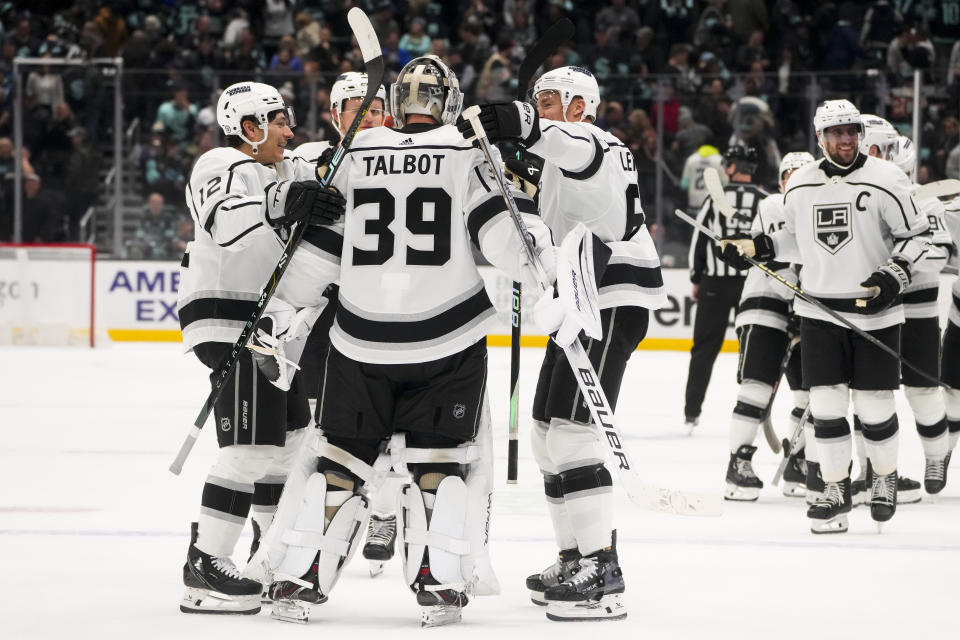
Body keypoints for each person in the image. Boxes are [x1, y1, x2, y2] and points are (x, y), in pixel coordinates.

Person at [248, 55, 557, 627]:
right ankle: (438, 583)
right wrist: (541, 249)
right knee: (440, 465)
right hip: (448, 338)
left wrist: (278, 312)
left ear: (394, 103)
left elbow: (318, 251)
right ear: (451, 102)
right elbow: (507, 239)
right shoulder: (468, 151)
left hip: (359, 337)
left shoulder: (355, 154)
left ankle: (298, 575)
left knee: (338, 463)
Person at [459, 65, 667, 622]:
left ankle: (602, 567)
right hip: (576, 301)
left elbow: (564, 145)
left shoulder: (596, 141)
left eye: (552, 100)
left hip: (609, 298)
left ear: (581, 106)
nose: (543, 107)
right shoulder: (552, 153)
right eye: (538, 99)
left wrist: (517, 120)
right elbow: (531, 198)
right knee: (548, 432)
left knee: (573, 432)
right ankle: (575, 556)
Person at [719, 99, 933, 534]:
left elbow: (917, 236)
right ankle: (834, 492)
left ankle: (884, 476)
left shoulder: (887, 179)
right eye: (836, 133)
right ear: (820, 138)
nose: (846, 139)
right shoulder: (800, 185)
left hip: (876, 313)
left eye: (851, 131)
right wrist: (756, 248)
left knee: (874, 407)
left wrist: (894, 274)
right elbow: (798, 245)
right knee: (828, 405)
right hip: (818, 311)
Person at [176, 81, 346, 614]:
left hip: (270, 324)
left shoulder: (285, 168)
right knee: (249, 450)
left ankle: (270, 557)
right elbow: (226, 224)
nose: (289, 131)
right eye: (278, 121)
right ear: (249, 127)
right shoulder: (220, 162)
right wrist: (283, 200)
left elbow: (321, 170)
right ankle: (205, 565)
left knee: (289, 442)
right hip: (231, 318)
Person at [289, 71, 401, 577]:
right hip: (324, 307)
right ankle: (325, 515)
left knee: (384, 421)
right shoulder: (310, 160)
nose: (366, 118)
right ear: (336, 116)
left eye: (373, 109)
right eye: (355, 109)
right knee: (323, 421)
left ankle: (383, 511)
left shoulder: (407, 162)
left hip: (382, 305)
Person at [855, 132, 951, 499]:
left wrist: (897, 266)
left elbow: (939, 255)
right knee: (866, 393)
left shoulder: (924, 201)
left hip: (917, 309)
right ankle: (871, 471)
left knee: (922, 391)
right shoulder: (860, 195)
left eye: (873, 148)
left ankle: (935, 458)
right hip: (875, 312)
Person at [721, 151, 814, 501]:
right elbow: (777, 263)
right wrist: (795, 301)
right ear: (780, 180)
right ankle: (738, 466)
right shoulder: (774, 205)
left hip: (806, 312)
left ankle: (798, 463)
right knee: (756, 389)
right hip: (764, 307)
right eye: (789, 174)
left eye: (802, 173)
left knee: (809, 394)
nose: (795, 179)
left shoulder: (817, 210)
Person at [684, 145, 768, 430]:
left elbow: (699, 239)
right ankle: (754, 412)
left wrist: (696, 276)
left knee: (704, 349)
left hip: (715, 284)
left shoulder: (715, 198)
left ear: (732, 167)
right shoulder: (765, 200)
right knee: (755, 350)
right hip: (753, 284)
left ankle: (691, 412)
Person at [680, 144, 723, 216]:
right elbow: (725, 184)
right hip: (713, 204)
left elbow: (684, 184)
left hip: (694, 203)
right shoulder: (719, 159)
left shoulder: (691, 159)